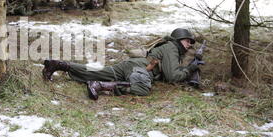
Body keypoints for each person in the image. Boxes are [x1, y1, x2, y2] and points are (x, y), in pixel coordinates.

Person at [42, 28, 201, 100]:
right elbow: (172, 76)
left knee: (98, 71)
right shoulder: (172, 48)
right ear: (178, 40)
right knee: (142, 88)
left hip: (132, 65)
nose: (189, 45)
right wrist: (190, 69)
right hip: (140, 69)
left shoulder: (168, 47)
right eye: (187, 41)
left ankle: (58, 65)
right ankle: (100, 85)